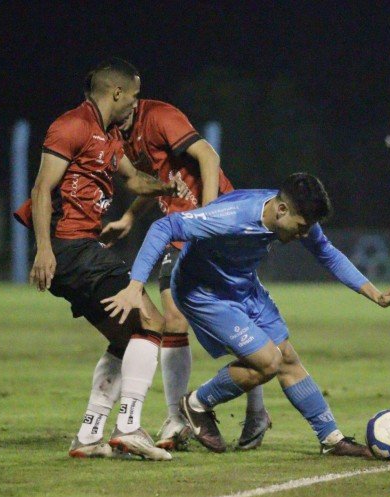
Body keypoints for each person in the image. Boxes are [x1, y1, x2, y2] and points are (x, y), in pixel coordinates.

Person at [101, 173, 390, 456]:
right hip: (203, 292)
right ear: (281, 211)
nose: (305, 235)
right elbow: (164, 226)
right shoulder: (233, 216)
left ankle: (332, 439)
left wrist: (376, 294)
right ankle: (195, 404)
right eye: (301, 228)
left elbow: (326, 252)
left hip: (243, 285)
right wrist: (135, 284)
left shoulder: (291, 215)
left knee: (287, 356)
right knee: (268, 361)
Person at [16, 57, 190, 461]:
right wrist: (44, 248)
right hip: (71, 248)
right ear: (116, 92)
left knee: (125, 336)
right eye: (134, 95)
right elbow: (43, 189)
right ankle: (129, 426)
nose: (136, 103)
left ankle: (89, 435)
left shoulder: (109, 136)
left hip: (82, 249)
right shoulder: (71, 125)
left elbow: (133, 179)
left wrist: (166, 186)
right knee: (151, 321)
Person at [99, 99, 271, 451]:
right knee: (174, 319)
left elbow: (208, 156)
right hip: (180, 232)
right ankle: (178, 417)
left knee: (233, 321)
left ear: (123, 97)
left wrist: (207, 218)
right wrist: (131, 218)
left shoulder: (160, 116)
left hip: (216, 226)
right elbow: (157, 182)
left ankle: (255, 410)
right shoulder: (121, 133)